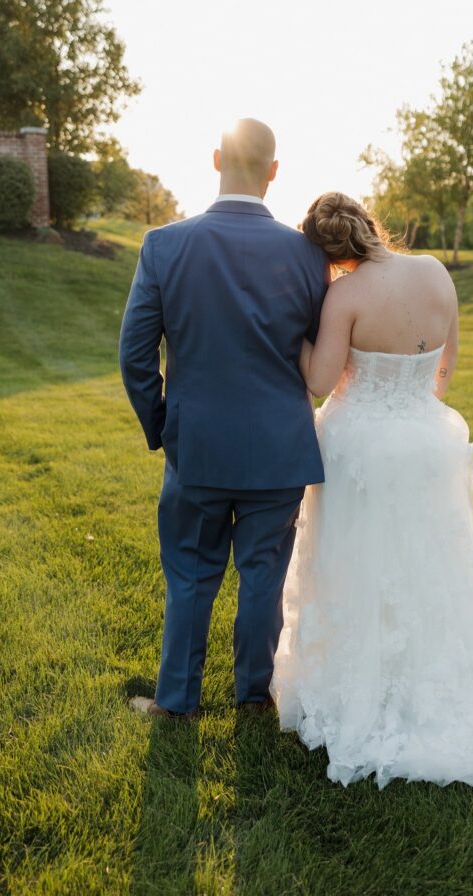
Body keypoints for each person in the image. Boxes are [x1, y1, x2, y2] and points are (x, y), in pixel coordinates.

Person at [271, 191, 473, 787]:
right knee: (439, 566)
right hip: (430, 442)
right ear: (369, 224)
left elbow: (321, 379)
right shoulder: (434, 270)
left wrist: (285, 335)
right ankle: (453, 683)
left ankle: (368, 688)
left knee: (364, 567)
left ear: (327, 252)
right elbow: (447, 367)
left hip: (362, 448)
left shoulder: (344, 295)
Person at [119, 119, 329, 718]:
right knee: (263, 573)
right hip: (280, 447)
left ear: (216, 160)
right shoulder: (308, 255)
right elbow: (324, 350)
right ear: (274, 170)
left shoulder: (165, 244)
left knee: (190, 573)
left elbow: (135, 354)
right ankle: (253, 697)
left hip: (198, 444)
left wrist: (161, 423)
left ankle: (177, 701)